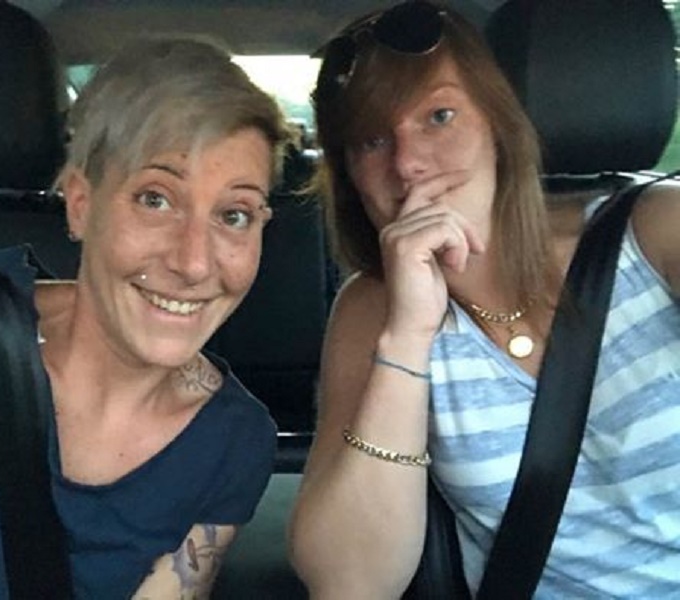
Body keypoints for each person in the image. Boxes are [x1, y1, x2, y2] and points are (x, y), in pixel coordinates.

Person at [288, 1, 680, 598]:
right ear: (350, 176)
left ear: (498, 125)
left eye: (439, 116)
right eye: (371, 140)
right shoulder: (373, 311)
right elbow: (351, 582)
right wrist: (408, 336)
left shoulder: (659, 231)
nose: (408, 163)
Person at [0, 36, 288, 599]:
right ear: (80, 204)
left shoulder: (233, 439)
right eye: (155, 199)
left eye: (234, 214)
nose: (194, 263)